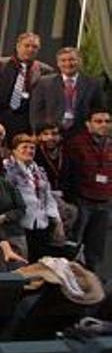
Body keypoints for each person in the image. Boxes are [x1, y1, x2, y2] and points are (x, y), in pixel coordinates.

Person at [63, 108, 112, 272]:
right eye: (98, 121)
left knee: (97, 248)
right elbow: (68, 174)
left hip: (104, 201)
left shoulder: (111, 144)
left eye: (107, 121)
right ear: (88, 124)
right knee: (73, 246)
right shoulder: (76, 144)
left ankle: (94, 285)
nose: (104, 125)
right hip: (82, 200)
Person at [3, 133, 67, 261]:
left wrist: (57, 221)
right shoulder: (7, 169)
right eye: (24, 147)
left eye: (32, 148)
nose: (29, 150)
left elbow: (48, 196)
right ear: (14, 150)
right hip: (19, 225)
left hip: (41, 224)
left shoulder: (39, 171)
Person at [30, 46, 106, 137]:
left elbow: (97, 111)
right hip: (52, 135)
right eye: (63, 60)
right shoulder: (44, 83)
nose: (68, 63)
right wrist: (37, 133)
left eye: (72, 60)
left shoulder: (93, 84)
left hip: (81, 135)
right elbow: (36, 112)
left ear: (79, 61)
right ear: (58, 63)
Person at [0, 32, 54, 137]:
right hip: (0, 118)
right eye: (27, 46)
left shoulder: (46, 71)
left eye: (34, 47)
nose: (30, 49)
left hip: (27, 122)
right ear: (18, 46)